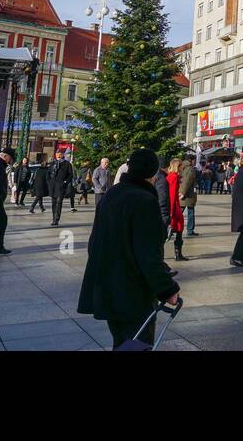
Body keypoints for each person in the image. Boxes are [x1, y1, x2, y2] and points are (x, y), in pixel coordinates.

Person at [77, 148, 181, 348]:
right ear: (152, 173)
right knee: (137, 344)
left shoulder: (112, 194)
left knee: (122, 342)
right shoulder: (145, 201)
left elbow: (95, 242)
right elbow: (148, 255)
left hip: (108, 287)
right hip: (132, 293)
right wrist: (167, 289)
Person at [165, 158, 188, 261]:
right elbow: (172, 195)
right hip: (174, 207)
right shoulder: (174, 177)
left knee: (177, 230)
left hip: (174, 206)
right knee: (179, 229)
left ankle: (178, 253)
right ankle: (178, 254)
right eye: (181, 166)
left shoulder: (170, 176)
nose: (182, 167)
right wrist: (171, 211)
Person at [48, 154, 74, 226]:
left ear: (62, 155)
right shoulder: (53, 163)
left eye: (60, 154)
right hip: (53, 186)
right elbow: (48, 173)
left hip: (61, 187)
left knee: (59, 202)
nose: (58, 156)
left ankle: (56, 219)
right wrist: (49, 182)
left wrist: (65, 182)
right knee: (53, 204)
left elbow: (70, 175)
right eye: (57, 154)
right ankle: (53, 218)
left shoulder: (67, 164)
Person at [179, 156, 198, 237]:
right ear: (191, 160)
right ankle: (190, 230)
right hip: (188, 194)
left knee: (179, 212)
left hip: (182, 193)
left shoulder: (182, 166)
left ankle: (172, 228)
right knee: (190, 213)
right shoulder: (190, 169)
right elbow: (187, 181)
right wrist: (182, 192)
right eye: (194, 160)